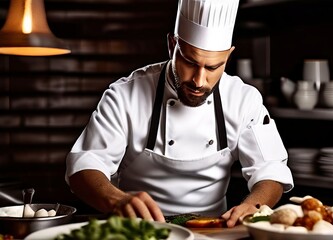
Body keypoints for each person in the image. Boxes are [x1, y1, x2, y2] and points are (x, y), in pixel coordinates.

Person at [65, 0, 294, 228]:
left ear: (229, 56)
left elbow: (270, 169)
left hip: (212, 231)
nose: (199, 80)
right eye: (189, 62)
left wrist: (254, 207)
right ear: (172, 44)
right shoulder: (125, 94)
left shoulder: (243, 100)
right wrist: (116, 200)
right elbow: (86, 164)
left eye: (213, 67)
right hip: (138, 229)